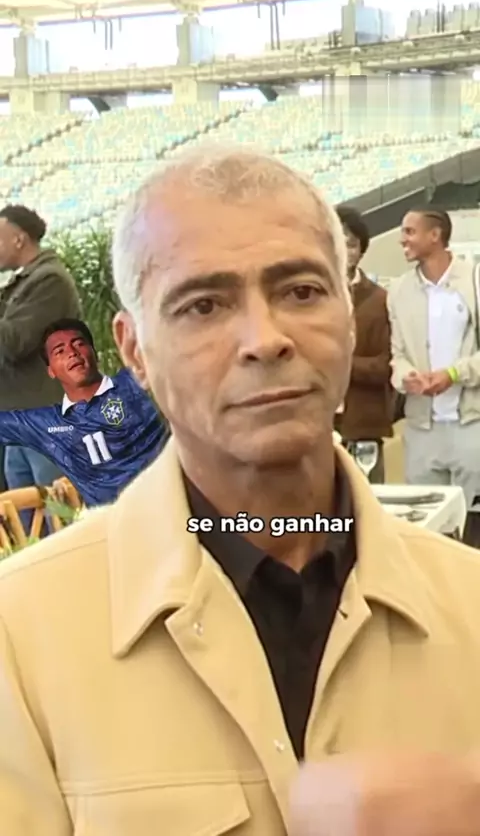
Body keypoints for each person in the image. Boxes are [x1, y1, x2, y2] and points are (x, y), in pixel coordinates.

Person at [2, 147, 480, 836]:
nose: (265, 338)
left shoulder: (468, 607)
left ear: (350, 321)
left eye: (302, 292)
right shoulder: (20, 637)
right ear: (134, 350)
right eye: (203, 305)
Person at [0, 318, 168, 506]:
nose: (72, 353)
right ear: (51, 370)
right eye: (60, 352)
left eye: (79, 344)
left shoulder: (133, 388)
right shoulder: (49, 422)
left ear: (94, 352)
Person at [388, 208, 480, 546]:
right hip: (421, 429)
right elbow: (397, 355)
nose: (402, 239)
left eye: (410, 231)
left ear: (435, 235)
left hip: (471, 425)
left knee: (473, 527)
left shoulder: (474, 280)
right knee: (427, 533)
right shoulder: (398, 291)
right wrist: (406, 377)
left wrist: (453, 374)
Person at [0, 204, 81, 524]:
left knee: (59, 516)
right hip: (20, 418)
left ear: (18, 239)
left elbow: (14, 343)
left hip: (45, 417)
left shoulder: (50, 281)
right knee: (26, 522)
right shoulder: (21, 284)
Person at [334, 205, 393, 482]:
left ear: (362, 249)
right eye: (338, 242)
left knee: (370, 500)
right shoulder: (303, 296)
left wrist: (340, 364)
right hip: (316, 425)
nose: (345, 251)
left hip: (363, 425)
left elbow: (386, 365)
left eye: (351, 244)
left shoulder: (380, 300)